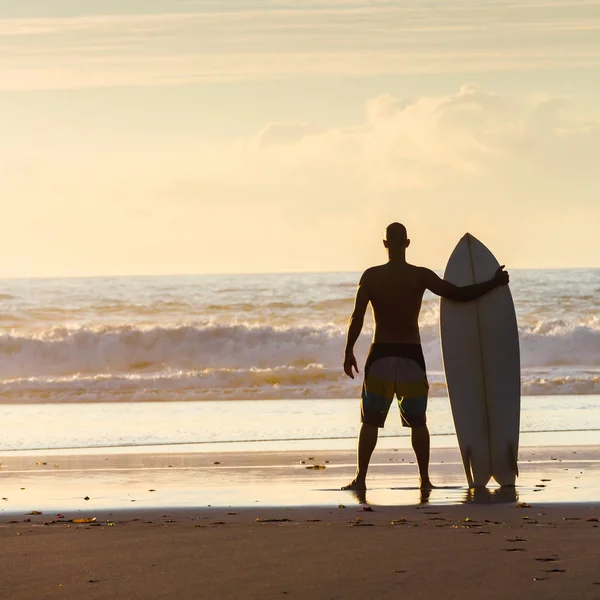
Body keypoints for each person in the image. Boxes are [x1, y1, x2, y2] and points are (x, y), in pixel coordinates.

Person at [342, 222, 509, 492]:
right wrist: (493, 283)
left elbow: (357, 317)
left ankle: (360, 479)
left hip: (381, 355)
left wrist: (349, 350)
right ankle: (425, 479)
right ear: (407, 243)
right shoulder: (420, 276)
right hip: (410, 356)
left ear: (385, 244)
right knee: (418, 422)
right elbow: (458, 294)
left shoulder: (371, 277)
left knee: (370, 421)